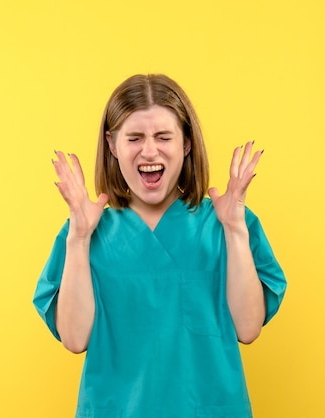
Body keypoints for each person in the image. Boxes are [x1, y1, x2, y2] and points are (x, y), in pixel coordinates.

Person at [33, 74, 286, 418]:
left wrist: (236, 231)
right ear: (111, 144)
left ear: (186, 143)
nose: (149, 151)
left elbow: (248, 328)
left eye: (163, 136)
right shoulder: (87, 231)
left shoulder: (226, 223)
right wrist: (78, 238)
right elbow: (74, 339)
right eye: (134, 137)